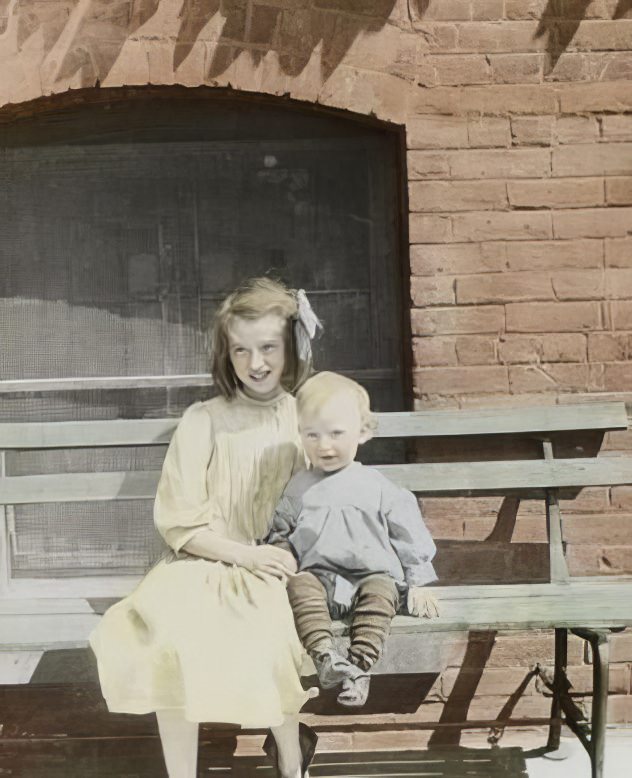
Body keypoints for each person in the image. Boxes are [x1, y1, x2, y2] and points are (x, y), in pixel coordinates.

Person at [90, 278, 322, 778]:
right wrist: (244, 556)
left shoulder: (303, 420)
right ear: (226, 353)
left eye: (267, 348)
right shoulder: (205, 419)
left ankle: (290, 758)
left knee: (270, 635)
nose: (255, 363)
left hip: (277, 565)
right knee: (169, 641)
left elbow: (328, 497)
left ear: (290, 349)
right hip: (204, 562)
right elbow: (180, 523)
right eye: (241, 350)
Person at [267, 371, 439, 708]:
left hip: (369, 578)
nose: (324, 445)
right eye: (312, 435)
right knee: (300, 585)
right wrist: (280, 553)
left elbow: (408, 534)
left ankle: (360, 665)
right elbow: (280, 529)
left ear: (363, 432)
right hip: (320, 579)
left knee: (382, 590)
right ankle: (325, 656)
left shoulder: (376, 485)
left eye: (335, 433)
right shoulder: (298, 486)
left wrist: (418, 582)